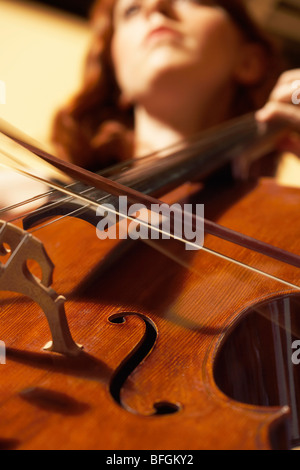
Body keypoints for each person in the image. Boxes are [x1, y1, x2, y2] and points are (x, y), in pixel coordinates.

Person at [51, 0, 300, 175]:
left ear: (249, 62)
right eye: (131, 10)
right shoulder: (39, 208)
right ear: (117, 80)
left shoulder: (277, 219)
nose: (155, 4)